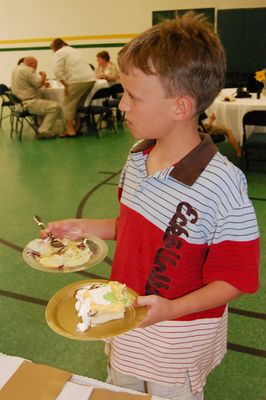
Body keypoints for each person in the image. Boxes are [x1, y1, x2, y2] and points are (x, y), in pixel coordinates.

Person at [41, 13, 260, 400]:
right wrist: (85, 227)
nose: (122, 105)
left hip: (178, 338)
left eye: (134, 96)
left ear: (180, 107)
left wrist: (170, 310)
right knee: (122, 388)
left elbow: (236, 279)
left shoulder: (223, 184)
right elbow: (132, 226)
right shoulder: (138, 156)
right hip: (127, 319)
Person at [50, 38, 96, 137]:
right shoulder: (74, 50)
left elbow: (57, 71)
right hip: (90, 79)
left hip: (77, 80)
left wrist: (65, 85)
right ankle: (77, 126)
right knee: (77, 104)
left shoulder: (59, 53)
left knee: (68, 104)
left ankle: (70, 131)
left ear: (55, 47)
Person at [11, 56, 62, 139]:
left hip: (19, 104)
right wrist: (44, 75)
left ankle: (40, 126)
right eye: (36, 65)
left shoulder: (16, 69)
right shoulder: (28, 70)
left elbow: (29, 82)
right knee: (56, 107)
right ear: (33, 64)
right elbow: (38, 84)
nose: (36, 68)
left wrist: (42, 82)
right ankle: (44, 131)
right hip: (28, 103)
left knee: (44, 104)